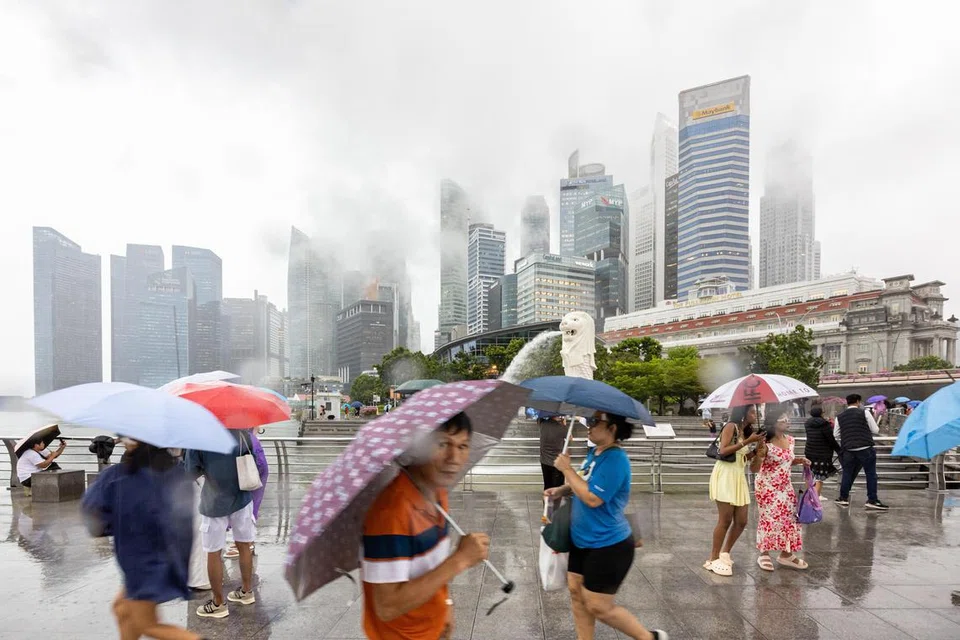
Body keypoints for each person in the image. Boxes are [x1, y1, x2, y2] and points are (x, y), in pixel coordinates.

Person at [361, 412, 489, 640]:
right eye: (443, 444)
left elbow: (433, 566)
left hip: (433, 628)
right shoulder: (391, 511)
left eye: (463, 446)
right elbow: (387, 607)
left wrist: (445, 604)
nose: (454, 458)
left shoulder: (437, 491)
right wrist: (460, 559)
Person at [547, 411, 669, 640]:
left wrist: (566, 469)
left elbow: (593, 499)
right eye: (588, 421)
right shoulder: (595, 453)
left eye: (594, 422)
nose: (589, 426)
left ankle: (649, 637)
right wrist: (561, 490)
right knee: (575, 590)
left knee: (598, 605)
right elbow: (584, 483)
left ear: (612, 428)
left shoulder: (616, 459)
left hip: (608, 543)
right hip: (582, 538)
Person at [80, 439, 201, 640]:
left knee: (148, 625)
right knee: (122, 609)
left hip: (143, 560)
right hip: (167, 554)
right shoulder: (175, 470)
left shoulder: (123, 475)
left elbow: (94, 515)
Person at [186, 430, 257, 618]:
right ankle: (247, 592)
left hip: (214, 502)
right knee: (244, 546)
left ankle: (218, 603)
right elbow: (253, 459)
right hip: (242, 497)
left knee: (214, 551)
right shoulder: (243, 434)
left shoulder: (199, 436)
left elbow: (190, 472)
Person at [704, 404, 765, 577]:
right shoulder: (731, 426)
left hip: (738, 476)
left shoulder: (746, 431)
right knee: (725, 520)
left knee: (742, 521)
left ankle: (725, 552)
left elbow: (742, 458)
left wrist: (755, 451)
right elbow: (723, 451)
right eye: (753, 412)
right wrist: (748, 441)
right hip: (725, 475)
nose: (756, 414)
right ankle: (712, 558)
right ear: (743, 413)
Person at [751, 410, 811, 571]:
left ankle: (786, 553)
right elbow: (755, 468)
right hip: (767, 486)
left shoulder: (791, 440)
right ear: (774, 423)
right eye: (783, 419)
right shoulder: (765, 443)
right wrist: (759, 454)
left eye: (787, 419)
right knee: (769, 518)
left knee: (790, 518)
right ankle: (764, 552)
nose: (787, 421)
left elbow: (785, 461)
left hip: (785, 485)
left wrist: (799, 460)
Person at [834, 394, 889, 510]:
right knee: (871, 474)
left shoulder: (839, 416)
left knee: (847, 473)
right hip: (865, 448)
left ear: (847, 402)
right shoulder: (865, 413)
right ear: (858, 402)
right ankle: (872, 500)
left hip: (848, 450)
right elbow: (875, 430)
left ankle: (843, 498)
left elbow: (836, 434)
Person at [224, 431, 269, 559]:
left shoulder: (244, 436)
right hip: (250, 473)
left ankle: (245, 542)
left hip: (248, 475)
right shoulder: (247, 436)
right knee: (248, 507)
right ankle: (245, 541)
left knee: (247, 507)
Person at [804, 403, 841, 496]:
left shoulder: (807, 424)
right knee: (819, 477)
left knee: (810, 474)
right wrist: (839, 450)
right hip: (823, 454)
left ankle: (809, 494)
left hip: (810, 452)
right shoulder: (825, 424)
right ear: (821, 413)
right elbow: (831, 440)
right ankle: (815, 497)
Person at [539, 414, 567, 491]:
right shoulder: (561, 427)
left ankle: (546, 501)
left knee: (547, 485)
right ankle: (556, 502)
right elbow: (569, 437)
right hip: (557, 462)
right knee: (558, 488)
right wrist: (564, 423)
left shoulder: (543, 424)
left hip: (544, 461)